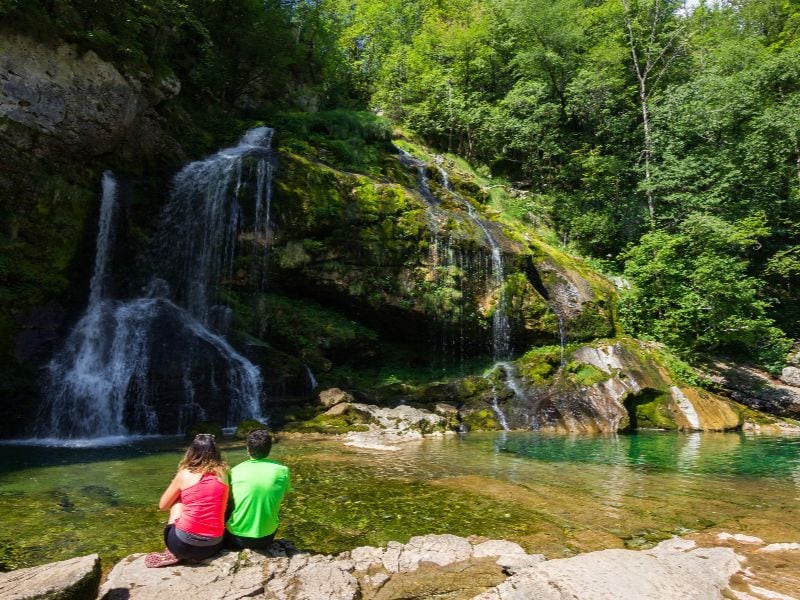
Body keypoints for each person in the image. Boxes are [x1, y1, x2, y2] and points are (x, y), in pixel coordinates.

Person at [145, 433, 229, 568]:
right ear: (216, 453)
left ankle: (172, 552)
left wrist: (178, 485)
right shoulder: (223, 475)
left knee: (178, 501)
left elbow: (163, 505)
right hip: (213, 546)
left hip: (181, 545)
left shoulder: (184, 474)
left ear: (192, 452)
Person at [225, 429, 290, 549]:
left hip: (236, 538)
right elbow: (281, 497)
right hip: (267, 537)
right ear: (269, 449)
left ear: (248, 449)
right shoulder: (283, 470)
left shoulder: (235, 471)